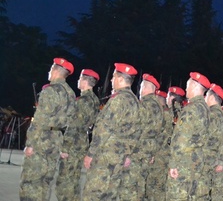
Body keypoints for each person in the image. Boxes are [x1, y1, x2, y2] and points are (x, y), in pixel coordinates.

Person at [19, 57, 76, 201]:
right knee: (45, 181)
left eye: (51, 69)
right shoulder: (70, 94)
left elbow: (39, 120)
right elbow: (71, 122)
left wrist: (30, 143)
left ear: (56, 71)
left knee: (31, 182)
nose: (49, 71)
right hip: (56, 139)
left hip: (42, 139)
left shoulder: (50, 91)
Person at [83, 63, 140, 201]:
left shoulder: (118, 100)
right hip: (119, 158)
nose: (110, 80)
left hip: (105, 156)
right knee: (110, 195)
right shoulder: (135, 101)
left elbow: (104, 130)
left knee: (93, 194)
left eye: (113, 77)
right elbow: (136, 132)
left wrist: (91, 153)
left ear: (120, 79)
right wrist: (128, 154)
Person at [55, 68, 100, 201]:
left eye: (80, 79)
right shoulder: (95, 100)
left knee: (65, 183)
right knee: (74, 181)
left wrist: (65, 147)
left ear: (85, 81)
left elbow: (74, 126)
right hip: (82, 142)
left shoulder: (82, 101)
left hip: (73, 144)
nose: (78, 81)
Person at [167, 72, 211, 201]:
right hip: (195, 162)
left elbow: (181, 138)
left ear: (195, 87)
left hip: (183, 163)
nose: (186, 89)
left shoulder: (191, 109)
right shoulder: (205, 108)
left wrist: (173, 163)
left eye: (188, 85)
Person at [205, 83, 223, 201]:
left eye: (206, 96)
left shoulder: (212, 115)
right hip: (215, 158)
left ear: (212, 98)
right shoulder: (222, 115)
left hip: (207, 158)